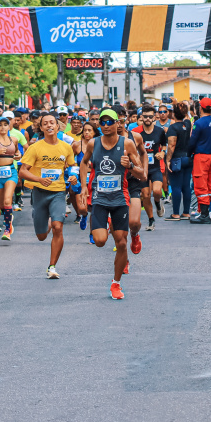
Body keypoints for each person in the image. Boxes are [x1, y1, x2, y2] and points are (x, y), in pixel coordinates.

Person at [80, 109, 144, 300]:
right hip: (100, 198)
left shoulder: (128, 144)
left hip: (119, 199)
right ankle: (106, 224)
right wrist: (84, 186)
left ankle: (116, 283)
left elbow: (142, 174)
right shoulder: (93, 143)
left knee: (121, 243)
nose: (106, 126)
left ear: (118, 123)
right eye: (102, 122)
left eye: (110, 122)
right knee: (99, 241)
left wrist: (131, 166)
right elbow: (84, 163)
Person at [19, 112, 77, 278]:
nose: (50, 126)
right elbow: (22, 172)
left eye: (53, 123)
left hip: (58, 192)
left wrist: (72, 176)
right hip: (39, 193)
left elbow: (72, 167)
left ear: (58, 126)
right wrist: (39, 179)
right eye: (46, 124)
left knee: (58, 227)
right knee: (42, 236)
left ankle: (52, 267)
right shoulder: (35, 147)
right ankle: (46, 218)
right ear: (41, 127)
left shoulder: (66, 148)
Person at [115, 105, 147, 254]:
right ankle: (124, 260)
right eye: (115, 121)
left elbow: (144, 153)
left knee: (134, 223)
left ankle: (135, 234)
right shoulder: (103, 140)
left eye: (121, 120)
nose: (119, 124)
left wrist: (143, 170)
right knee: (119, 228)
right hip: (114, 184)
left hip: (132, 181)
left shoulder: (136, 137)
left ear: (126, 119)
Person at [188, 98, 211, 224]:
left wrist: (188, 153)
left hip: (201, 157)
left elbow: (193, 141)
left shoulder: (199, 123)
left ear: (200, 108)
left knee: (201, 186)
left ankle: (204, 215)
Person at [138, 105, 167, 230]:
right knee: (145, 195)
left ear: (154, 117)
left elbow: (164, 145)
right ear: (142, 117)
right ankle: (151, 220)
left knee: (156, 191)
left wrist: (162, 153)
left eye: (150, 116)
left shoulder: (159, 131)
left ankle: (157, 203)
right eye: (145, 116)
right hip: (142, 169)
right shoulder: (136, 132)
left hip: (155, 167)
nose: (148, 119)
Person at [164, 102, 192, 221]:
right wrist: (184, 108)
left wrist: (168, 160)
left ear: (173, 114)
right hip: (187, 158)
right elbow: (188, 117)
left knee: (176, 186)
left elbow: (171, 145)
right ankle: (186, 212)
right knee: (186, 186)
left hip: (176, 159)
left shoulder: (173, 128)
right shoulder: (187, 124)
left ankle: (175, 213)